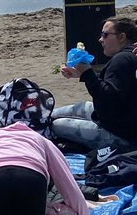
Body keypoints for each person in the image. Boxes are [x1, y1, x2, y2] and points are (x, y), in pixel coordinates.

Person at [51, 16, 137, 151]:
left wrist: (87, 73)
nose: (100, 39)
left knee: (55, 125)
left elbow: (108, 100)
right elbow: (119, 87)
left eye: (105, 35)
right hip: (122, 121)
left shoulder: (121, 59)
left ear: (121, 37)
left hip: (119, 135)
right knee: (51, 115)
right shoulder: (130, 56)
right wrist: (81, 74)